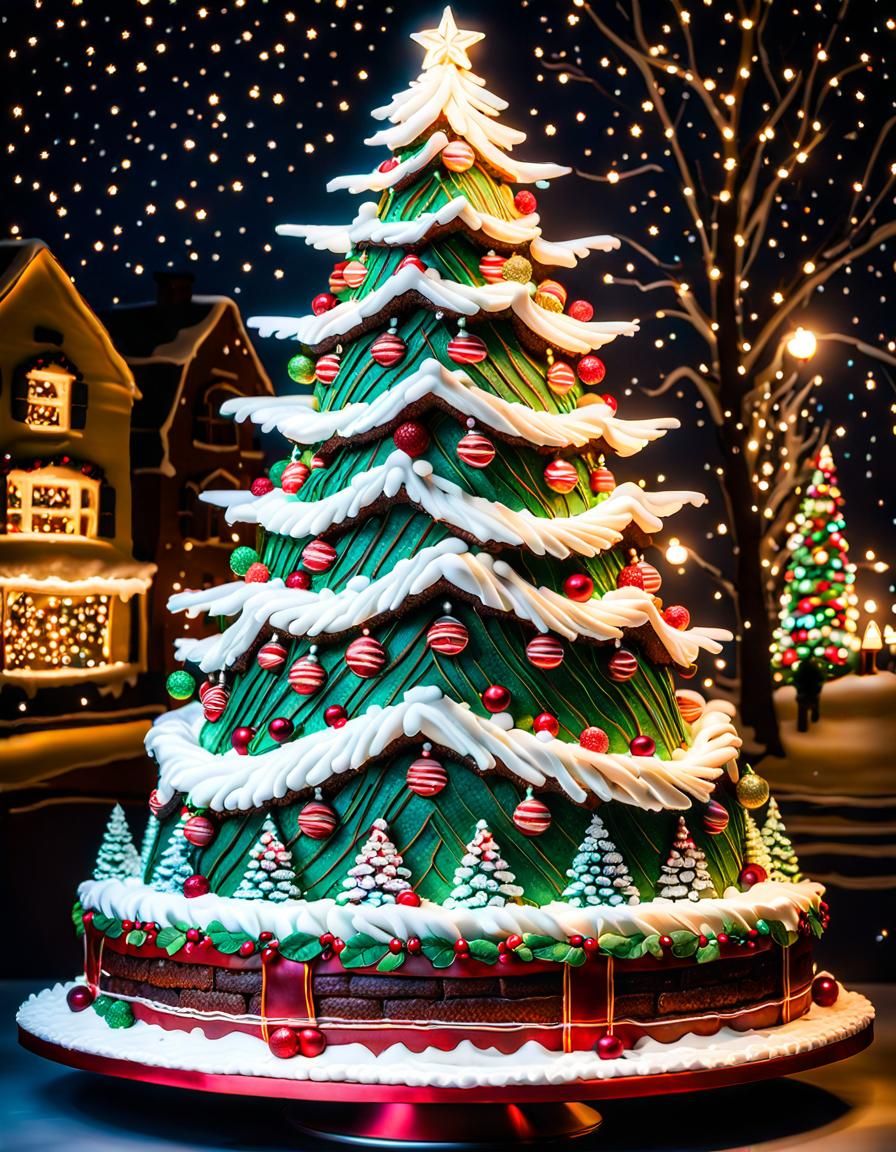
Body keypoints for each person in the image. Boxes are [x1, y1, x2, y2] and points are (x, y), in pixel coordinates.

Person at [793, 656, 825, 732]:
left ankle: (802, 727)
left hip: (803, 693)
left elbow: (796, 679)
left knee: (802, 710)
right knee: (815, 707)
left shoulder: (801, 668)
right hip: (812, 692)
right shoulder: (814, 668)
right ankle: (815, 721)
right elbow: (821, 678)